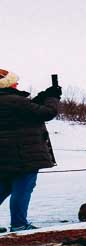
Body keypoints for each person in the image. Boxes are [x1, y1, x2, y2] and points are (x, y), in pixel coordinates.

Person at [0, 70, 61, 232]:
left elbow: (26, 111)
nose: (17, 84)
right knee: (22, 188)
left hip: (4, 155)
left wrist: (42, 96)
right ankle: (19, 224)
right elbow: (47, 113)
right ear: (6, 84)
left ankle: (19, 223)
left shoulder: (10, 101)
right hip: (23, 154)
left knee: (4, 187)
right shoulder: (16, 101)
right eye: (14, 82)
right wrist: (53, 97)